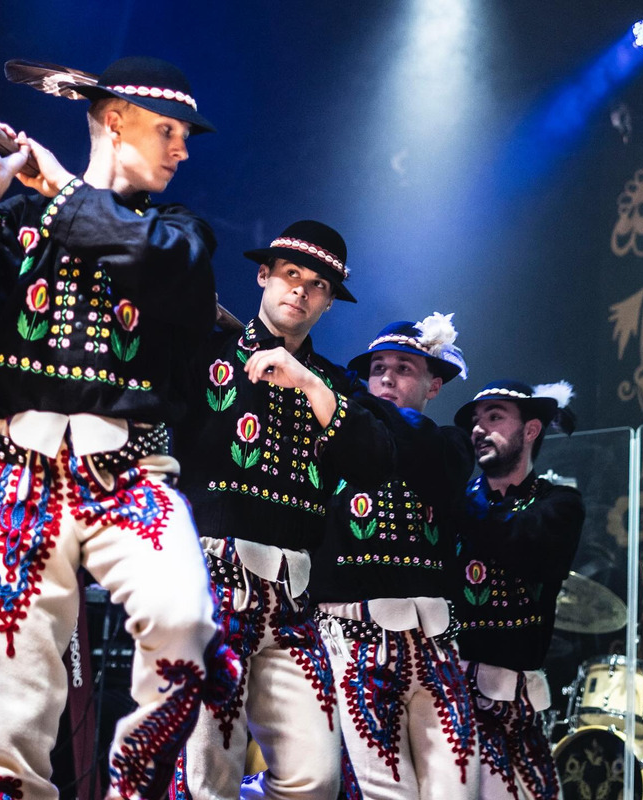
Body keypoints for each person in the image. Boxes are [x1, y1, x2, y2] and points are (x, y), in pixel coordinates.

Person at [0, 56, 238, 800]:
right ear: (114, 120)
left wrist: (60, 187)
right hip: (18, 471)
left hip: (133, 474)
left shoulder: (179, 233)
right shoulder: (18, 217)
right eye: (168, 131)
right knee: (16, 702)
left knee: (183, 622)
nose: (182, 149)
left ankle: (137, 784)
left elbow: (164, 270)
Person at [169, 220, 396, 799]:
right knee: (206, 771)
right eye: (291, 275)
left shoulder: (338, 386)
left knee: (315, 776)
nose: (300, 290)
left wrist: (308, 384)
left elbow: (375, 464)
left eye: (317, 284)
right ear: (263, 277)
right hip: (213, 579)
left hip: (294, 601)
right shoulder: (205, 350)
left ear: (327, 301)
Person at [309, 313, 478, 800]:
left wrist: (352, 397)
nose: (385, 377)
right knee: (384, 792)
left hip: (434, 644)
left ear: (435, 384)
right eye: (377, 367)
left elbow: (414, 443)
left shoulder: (449, 445)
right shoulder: (336, 441)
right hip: (353, 638)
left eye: (404, 367)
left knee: (456, 790)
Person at [449, 380, 584, 800]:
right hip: (448, 693)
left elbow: (519, 546)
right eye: (475, 419)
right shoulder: (456, 500)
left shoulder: (559, 504)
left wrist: (448, 491)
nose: (477, 429)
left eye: (494, 417)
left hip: (516, 703)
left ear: (530, 430)